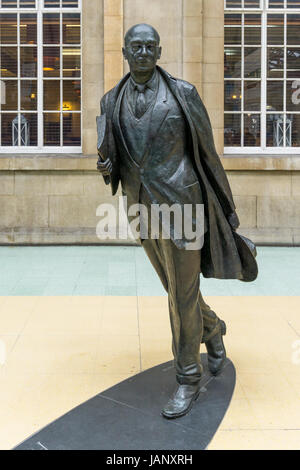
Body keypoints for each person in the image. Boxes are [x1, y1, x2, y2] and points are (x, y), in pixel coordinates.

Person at [97, 23, 257, 419]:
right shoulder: (110, 101)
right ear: (125, 51)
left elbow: (207, 154)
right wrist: (105, 166)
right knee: (175, 289)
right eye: (136, 46)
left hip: (184, 206)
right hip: (141, 208)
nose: (143, 52)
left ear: (160, 50)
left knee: (181, 295)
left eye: (150, 46)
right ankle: (214, 327)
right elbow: (115, 159)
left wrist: (228, 208)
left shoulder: (182, 94)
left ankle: (188, 378)